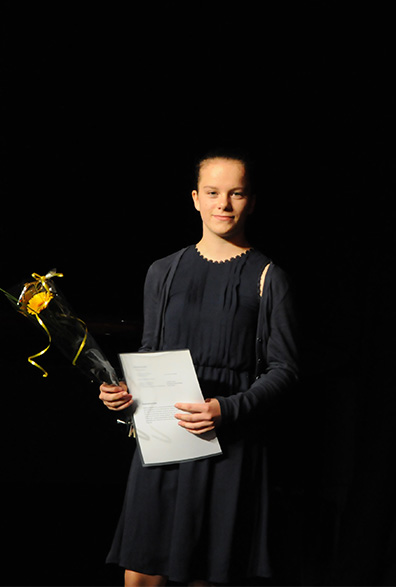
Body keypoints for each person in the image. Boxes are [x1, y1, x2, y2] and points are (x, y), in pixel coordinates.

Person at [99, 150, 300, 585]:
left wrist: (227, 409)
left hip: (228, 443)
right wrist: (122, 394)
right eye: (212, 193)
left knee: (204, 575)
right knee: (141, 577)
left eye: (236, 193)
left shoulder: (269, 277)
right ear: (195, 198)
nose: (223, 204)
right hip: (165, 438)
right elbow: (151, 352)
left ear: (250, 200)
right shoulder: (162, 272)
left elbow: (285, 370)